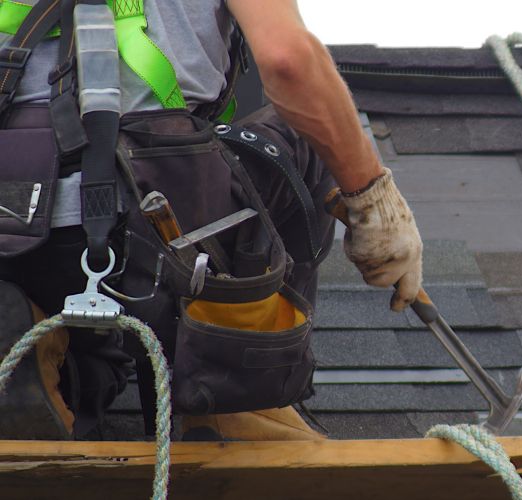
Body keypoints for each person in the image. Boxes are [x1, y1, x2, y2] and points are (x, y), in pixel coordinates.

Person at [0, 0, 423, 441]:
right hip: (153, 219)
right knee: (310, 130)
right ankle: (241, 395)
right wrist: (372, 196)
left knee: (94, 370)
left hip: (14, 238)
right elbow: (289, 62)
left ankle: (29, 340)